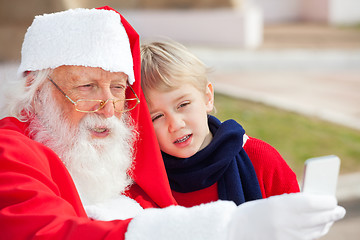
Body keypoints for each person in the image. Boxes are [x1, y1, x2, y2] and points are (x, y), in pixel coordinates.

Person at [0, 6, 345, 240]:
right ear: (37, 91)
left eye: (118, 88)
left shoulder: (114, 162)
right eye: (86, 87)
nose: (107, 107)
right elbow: (49, 232)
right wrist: (229, 227)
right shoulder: (10, 151)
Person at [140, 40, 300, 207]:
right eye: (156, 117)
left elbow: (298, 223)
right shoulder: (145, 185)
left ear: (207, 97)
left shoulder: (260, 160)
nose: (175, 124)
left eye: (183, 105)